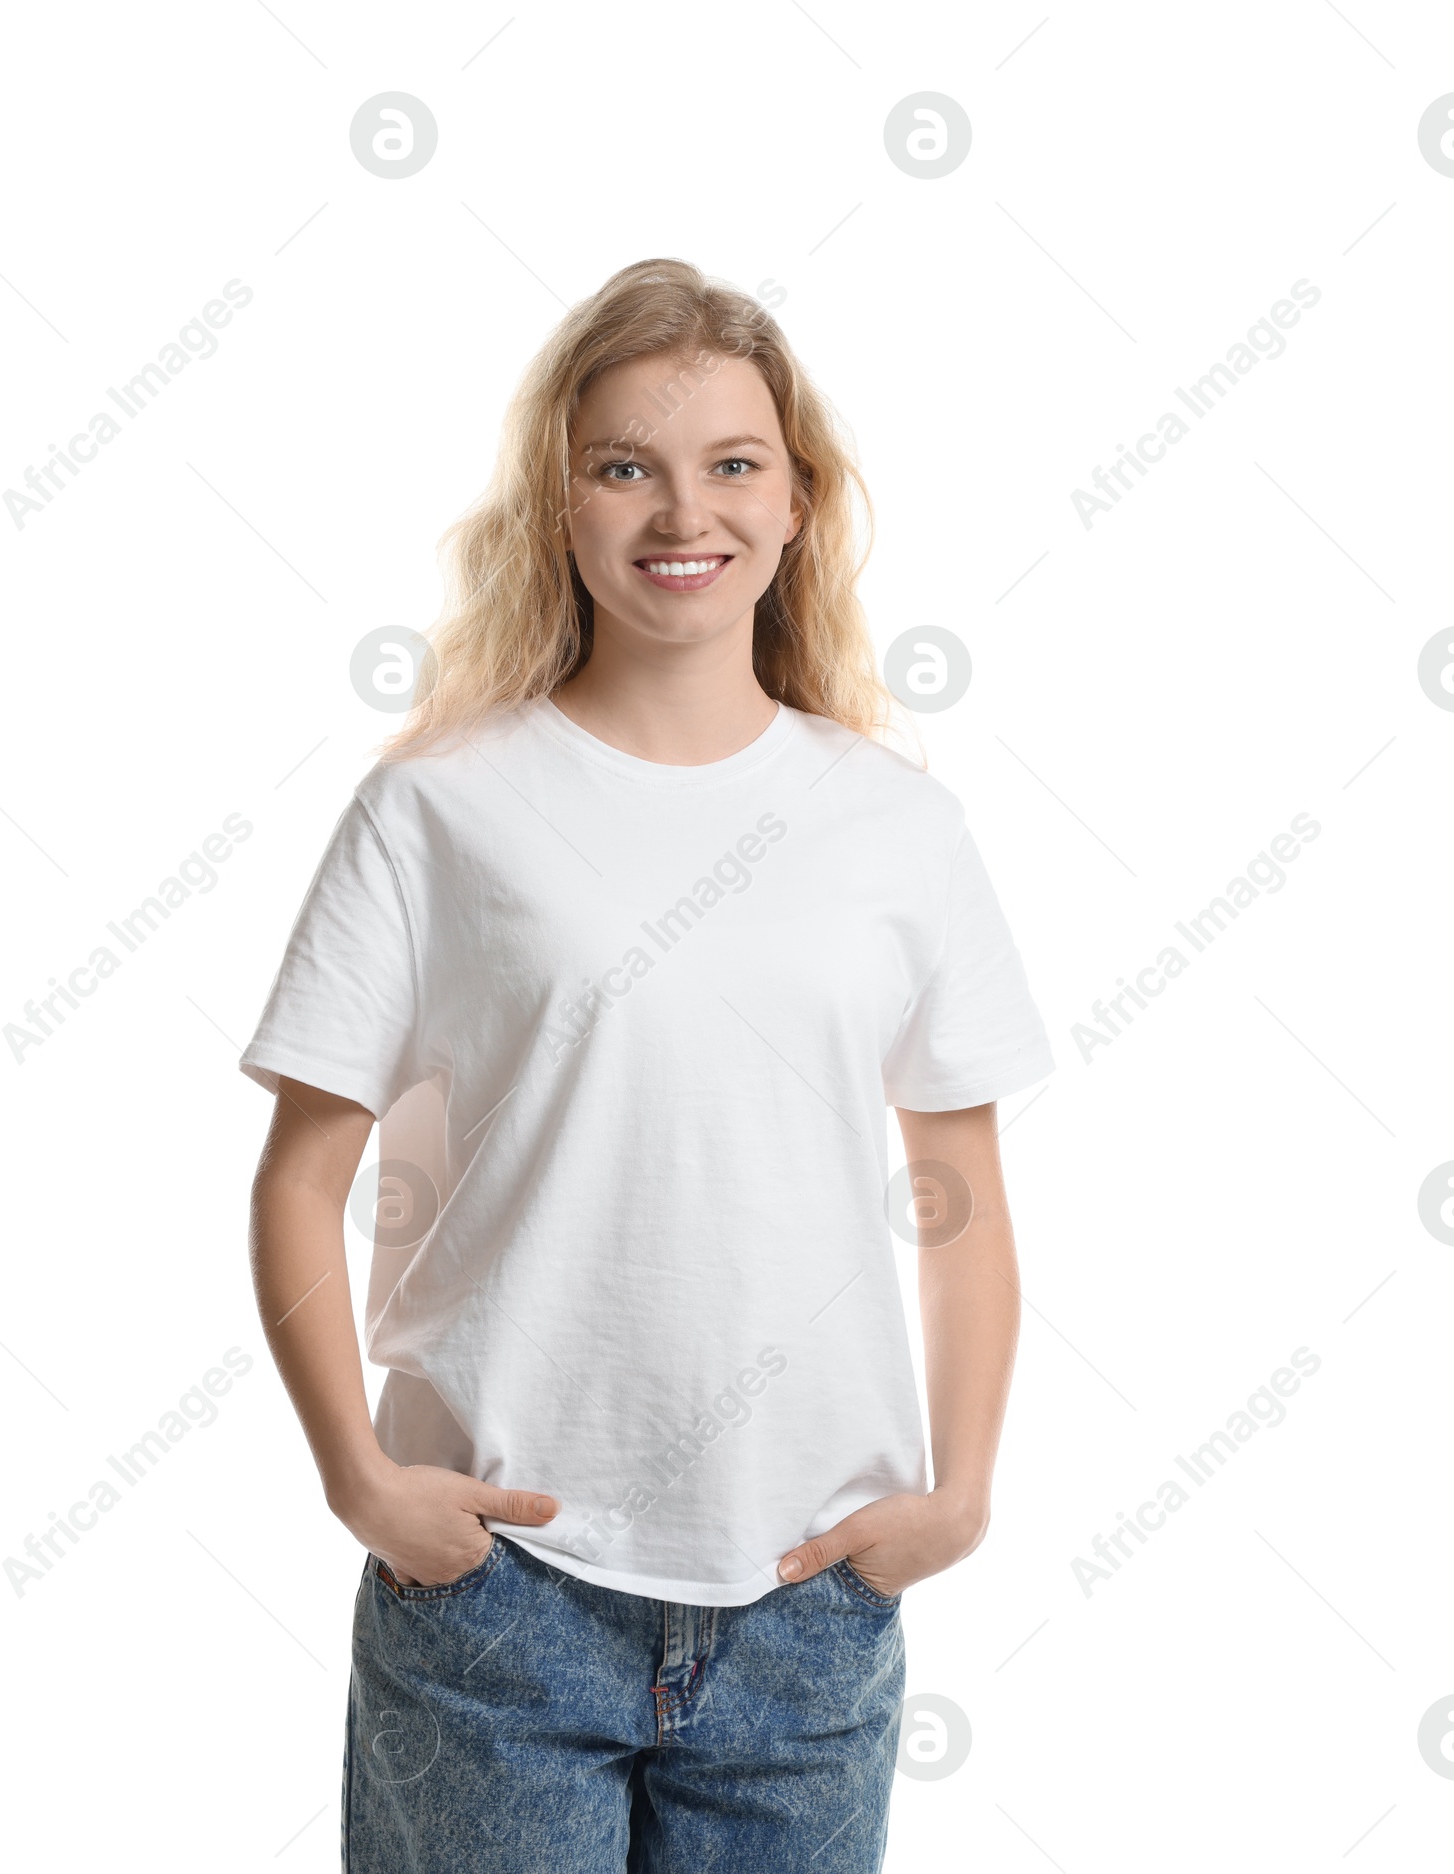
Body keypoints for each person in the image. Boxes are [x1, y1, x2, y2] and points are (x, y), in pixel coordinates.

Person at [240, 257, 1054, 1874]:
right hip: (501, 1603)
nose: (684, 509)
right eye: (626, 464)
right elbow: (299, 1178)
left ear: (799, 499)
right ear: (560, 504)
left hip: (806, 1607)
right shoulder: (442, 805)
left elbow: (957, 1187)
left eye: (733, 463)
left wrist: (958, 1494)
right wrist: (364, 1480)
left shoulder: (895, 826)